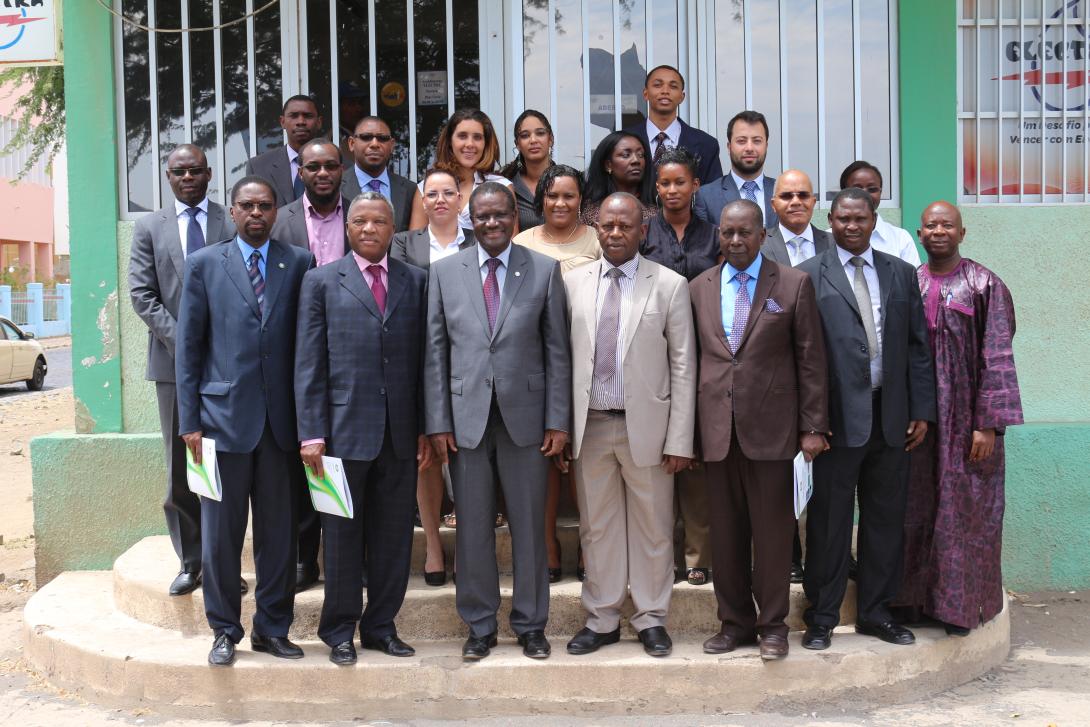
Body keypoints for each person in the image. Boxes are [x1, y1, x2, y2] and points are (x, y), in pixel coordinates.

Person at [425, 182, 571, 661]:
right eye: (482, 216)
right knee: (471, 527)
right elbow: (435, 354)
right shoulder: (444, 273)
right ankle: (480, 625)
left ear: (515, 217)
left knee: (530, 527)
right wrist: (438, 421)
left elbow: (558, 352)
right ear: (470, 219)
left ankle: (531, 625)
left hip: (526, 420)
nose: (491, 224)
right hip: (465, 420)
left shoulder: (545, 271)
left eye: (500, 216)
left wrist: (558, 420)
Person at [175, 176, 315, 667]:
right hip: (218, 425)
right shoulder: (204, 265)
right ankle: (224, 630)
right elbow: (189, 347)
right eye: (247, 206)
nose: (257, 213)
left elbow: (307, 346)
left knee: (279, 536)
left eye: (265, 206)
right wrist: (189, 422)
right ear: (232, 211)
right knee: (220, 536)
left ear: (277, 211)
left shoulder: (298, 262)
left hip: (280, 428)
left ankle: (272, 628)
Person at [294, 192, 432, 665]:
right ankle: (338, 632)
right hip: (339, 435)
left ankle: (380, 627)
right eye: (361, 221)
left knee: (393, 537)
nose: (370, 229)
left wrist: (425, 429)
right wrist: (311, 433)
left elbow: (424, 362)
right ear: (348, 228)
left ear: (393, 228)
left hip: (399, 434)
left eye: (380, 221)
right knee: (341, 539)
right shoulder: (320, 281)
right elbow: (308, 363)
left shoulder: (416, 282)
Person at [796, 187, 936, 651]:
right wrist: (810, 422)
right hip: (835, 422)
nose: (851, 226)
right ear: (830, 221)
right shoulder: (807, 276)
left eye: (860, 218)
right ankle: (821, 617)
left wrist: (920, 410)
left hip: (891, 416)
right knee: (829, 522)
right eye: (841, 219)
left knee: (884, 520)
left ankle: (877, 613)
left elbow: (918, 347)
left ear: (875, 221)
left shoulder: (900, 274)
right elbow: (801, 358)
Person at [690, 199, 828, 661]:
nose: (734, 240)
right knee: (725, 537)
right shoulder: (699, 288)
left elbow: (811, 361)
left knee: (772, 537)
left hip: (773, 433)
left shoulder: (792, 284)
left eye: (743, 232)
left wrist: (813, 427)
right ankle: (734, 625)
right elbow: (692, 365)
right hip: (716, 433)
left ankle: (773, 627)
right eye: (726, 232)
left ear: (762, 234)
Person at [560, 192, 696, 658]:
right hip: (590, 426)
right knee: (597, 528)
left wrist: (680, 438)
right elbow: (561, 360)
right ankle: (601, 619)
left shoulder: (670, 285)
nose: (615, 233)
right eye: (607, 226)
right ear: (596, 229)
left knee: (655, 527)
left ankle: (652, 618)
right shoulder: (571, 283)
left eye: (625, 226)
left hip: (650, 429)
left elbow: (684, 367)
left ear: (643, 231)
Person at [894, 201, 1023, 636]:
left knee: (965, 514)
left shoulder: (985, 284)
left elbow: (999, 356)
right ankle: (912, 601)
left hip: (968, 426)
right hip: (922, 424)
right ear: (919, 233)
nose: (938, 231)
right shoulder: (910, 283)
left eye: (947, 225)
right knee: (915, 509)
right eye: (930, 225)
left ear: (962, 233)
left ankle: (960, 609)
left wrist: (989, 423)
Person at [128, 144, 238, 597]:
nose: (188, 177)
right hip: (174, 367)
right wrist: (187, 342)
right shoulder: (149, 227)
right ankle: (192, 562)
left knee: (227, 468)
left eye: (195, 170)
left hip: (227, 364)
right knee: (182, 469)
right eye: (179, 171)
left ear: (209, 174)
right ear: (168, 176)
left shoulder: (229, 221)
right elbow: (142, 295)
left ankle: (224, 564)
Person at [268, 138, 351, 592]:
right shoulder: (278, 220)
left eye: (330, 166)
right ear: (299, 170)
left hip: (351, 351)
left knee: (346, 453)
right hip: (293, 351)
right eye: (312, 166)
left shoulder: (363, 212)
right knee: (301, 455)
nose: (322, 173)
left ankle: (347, 554)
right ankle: (305, 556)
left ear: (343, 169)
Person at [513, 164, 600, 582]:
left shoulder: (599, 240)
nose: (560, 203)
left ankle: (588, 545)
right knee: (545, 457)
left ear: (581, 201)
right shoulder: (521, 243)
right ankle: (547, 544)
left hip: (591, 361)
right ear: (540, 200)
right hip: (536, 363)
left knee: (585, 459)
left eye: (569, 195)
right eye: (553, 196)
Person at [390, 167, 477, 586]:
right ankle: (433, 547)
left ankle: (464, 545)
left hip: (471, 360)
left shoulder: (480, 242)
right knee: (426, 454)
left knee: (464, 452)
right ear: (422, 202)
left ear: (461, 201)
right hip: (419, 357)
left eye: (449, 192)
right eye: (432, 194)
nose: (440, 200)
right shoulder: (404, 244)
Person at [639, 146, 718, 587]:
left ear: (695, 185)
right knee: (656, 457)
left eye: (680, 182)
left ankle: (697, 555)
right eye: (665, 183)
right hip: (651, 355)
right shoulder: (644, 234)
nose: (672, 190)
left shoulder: (714, 235)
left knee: (695, 461)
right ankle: (661, 555)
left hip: (703, 354)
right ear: (657, 187)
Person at [759, 168, 834, 583]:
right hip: (777, 378)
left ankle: (829, 556)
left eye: (803, 195)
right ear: (773, 203)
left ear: (814, 201)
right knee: (781, 475)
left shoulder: (833, 243)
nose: (795, 202)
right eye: (786, 195)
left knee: (826, 475)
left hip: (825, 377)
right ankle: (789, 555)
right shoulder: (760, 246)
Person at [412, 108, 516, 231]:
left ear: (486, 144)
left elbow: (512, 242)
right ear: (450, 141)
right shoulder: (426, 189)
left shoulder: (502, 186)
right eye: (462, 136)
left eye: (477, 137)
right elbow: (415, 245)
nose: (470, 144)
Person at [624, 65, 723, 184]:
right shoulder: (624, 139)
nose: (665, 91)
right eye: (657, 85)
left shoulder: (706, 144)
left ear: (682, 97)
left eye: (673, 86)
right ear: (645, 93)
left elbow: (713, 194)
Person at [695, 110, 777, 229]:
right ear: (729, 147)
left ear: (766, 146)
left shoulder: (782, 193)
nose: (749, 148)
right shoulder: (706, 196)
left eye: (757, 141)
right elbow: (702, 244)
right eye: (741, 141)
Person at [341, 116, 420, 233]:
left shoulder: (410, 190)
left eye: (382, 138)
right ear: (352, 143)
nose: (374, 144)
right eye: (366, 137)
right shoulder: (336, 186)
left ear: (392, 145)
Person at [245, 95, 324, 207]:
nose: (301, 121)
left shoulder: (338, 166)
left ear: (319, 122)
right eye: (294, 116)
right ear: (282, 122)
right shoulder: (258, 167)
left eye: (308, 116)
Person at [840, 161, 921, 266]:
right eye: (857, 189)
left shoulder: (900, 239)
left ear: (880, 192)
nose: (865, 195)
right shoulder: (828, 239)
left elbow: (912, 280)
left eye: (872, 189)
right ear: (843, 193)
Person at [581, 131, 657, 227]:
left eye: (640, 155)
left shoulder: (657, 208)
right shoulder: (591, 211)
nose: (636, 160)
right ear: (608, 165)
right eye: (626, 155)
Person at [500, 109, 556, 231]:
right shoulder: (508, 186)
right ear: (517, 144)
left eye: (540, 133)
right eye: (525, 135)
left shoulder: (568, 181)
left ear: (550, 139)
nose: (533, 140)